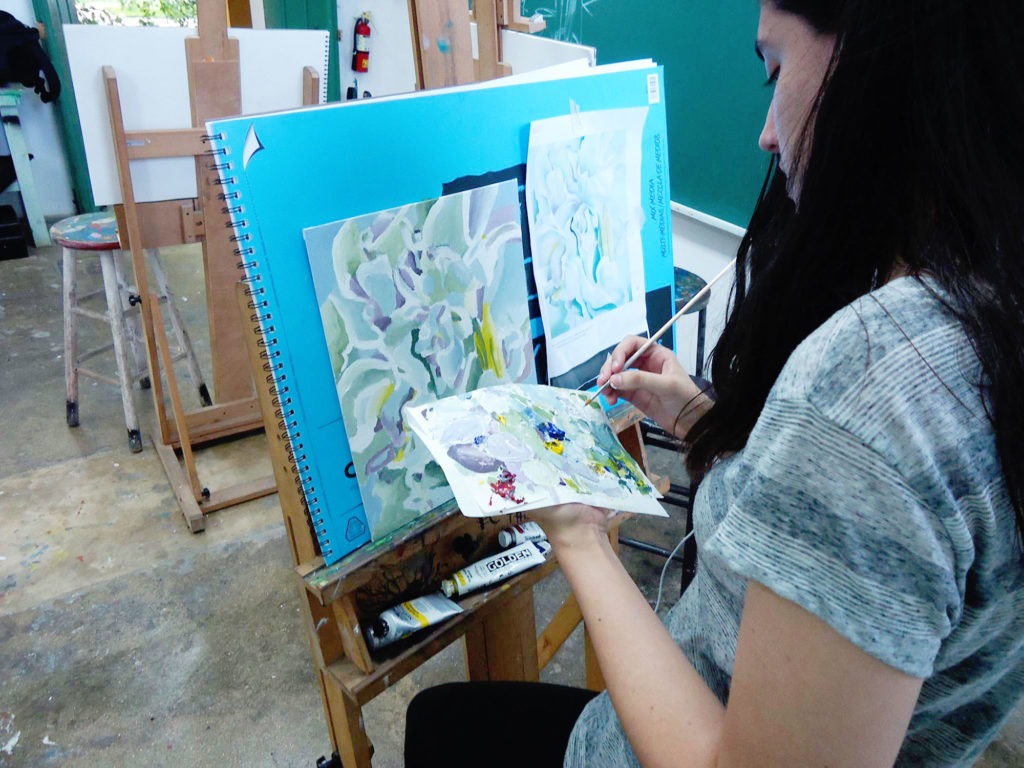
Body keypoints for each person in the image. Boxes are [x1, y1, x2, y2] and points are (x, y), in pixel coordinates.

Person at [404, 0, 1024, 765]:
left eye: (775, 68)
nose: (766, 133)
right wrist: (696, 416)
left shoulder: (874, 386)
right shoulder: (988, 307)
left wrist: (577, 533)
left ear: (879, 59)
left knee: (440, 723)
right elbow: (845, 538)